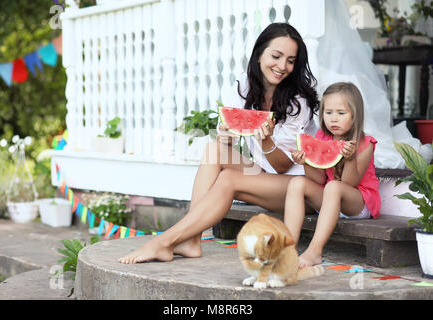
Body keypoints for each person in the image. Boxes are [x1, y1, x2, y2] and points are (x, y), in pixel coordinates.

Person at [118, 22, 319, 264]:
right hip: (267, 176)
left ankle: (163, 242)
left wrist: (266, 142)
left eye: (290, 60)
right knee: (214, 150)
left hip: (300, 188)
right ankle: (191, 241)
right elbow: (231, 136)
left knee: (229, 179)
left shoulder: (298, 101)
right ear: (258, 55)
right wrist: (225, 137)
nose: (282, 66)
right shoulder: (244, 87)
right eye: (275, 56)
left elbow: (283, 167)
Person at [284, 82, 381, 268]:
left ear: (355, 115)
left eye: (341, 113)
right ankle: (288, 248)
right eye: (328, 113)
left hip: (358, 204)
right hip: (329, 200)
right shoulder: (322, 137)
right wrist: (306, 162)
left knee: (334, 186)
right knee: (297, 182)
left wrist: (350, 159)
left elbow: (349, 182)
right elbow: (319, 179)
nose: (333, 119)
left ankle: (314, 251)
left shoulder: (365, 143)